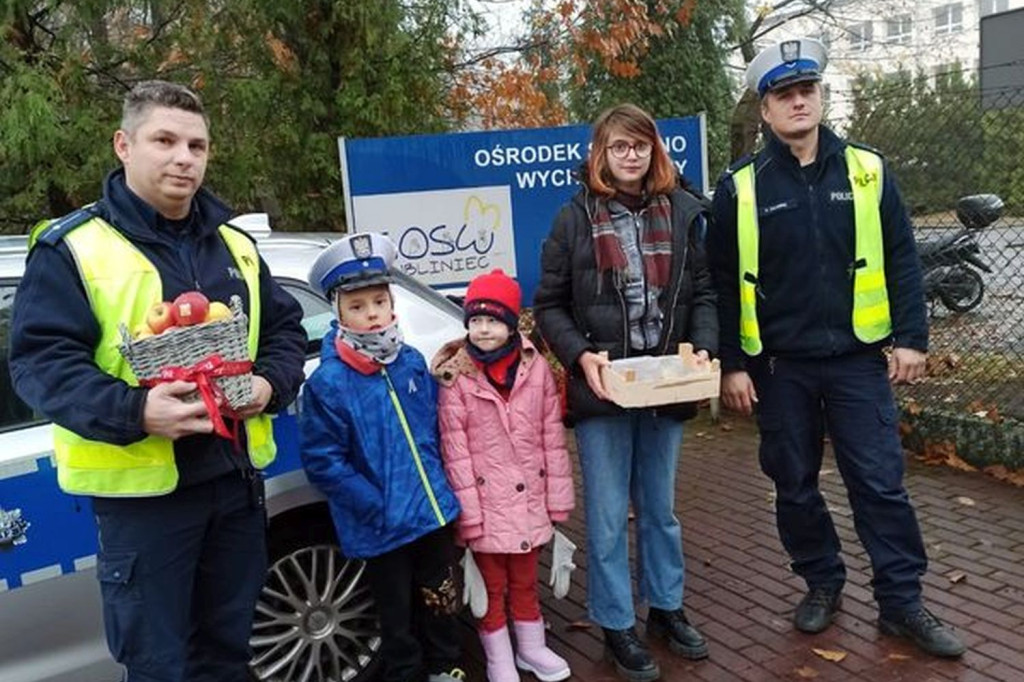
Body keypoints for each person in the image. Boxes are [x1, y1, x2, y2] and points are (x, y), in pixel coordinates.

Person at [9, 80, 307, 681]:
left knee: (229, 656)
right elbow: (41, 365)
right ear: (124, 144)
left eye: (196, 146)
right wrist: (136, 411)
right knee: (158, 668)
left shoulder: (236, 246)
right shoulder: (72, 248)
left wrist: (270, 385)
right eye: (164, 140)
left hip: (234, 485)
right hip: (144, 507)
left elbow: (286, 333)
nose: (183, 158)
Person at [707, 38, 966, 658]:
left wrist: (911, 338)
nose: (798, 102)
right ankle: (821, 581)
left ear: (820, 97)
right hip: (780, 367)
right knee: (794, 484)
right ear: (764, 110)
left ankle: (902, 604)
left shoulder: (868, 170)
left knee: (879, 484)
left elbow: (902, 257)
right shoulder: (740, 186)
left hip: (857, 362)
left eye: (807, 91)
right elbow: (718, 281)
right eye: (782, 95)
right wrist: (733, 366)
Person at [533, 103, 718, 682]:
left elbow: (706, 292)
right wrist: (580, 356)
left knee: (660, 511)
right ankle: (617, 624)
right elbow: (549, 304)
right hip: (605, 390)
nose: (631, 155)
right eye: (619, 146)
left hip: (666, 384)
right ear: (601, 154)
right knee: (609, 517)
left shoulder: (686, 210)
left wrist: (704, 346)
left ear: (654, 150)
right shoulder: (573, 219)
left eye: (640, 145)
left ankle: (665, 608)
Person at [301, 232, 465, 682]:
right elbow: (323, 461)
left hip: (431, 514)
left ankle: (445, 667)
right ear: (338, 312)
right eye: (357, 306)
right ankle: (406, 672)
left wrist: (445, 491)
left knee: (441, 599)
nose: (371, 314)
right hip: (380, 524)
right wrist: (374, 502)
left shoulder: (411, 361)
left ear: (392, 305)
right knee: (395, 614)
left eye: (379, 302)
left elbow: (434, 431)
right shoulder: (328, 383)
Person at [431, 268, 575, 682]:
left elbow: (551, 438)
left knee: (526, 582)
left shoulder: (536, 371)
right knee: (489, 588)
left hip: (529, 501)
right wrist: (468, 516)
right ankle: (498, 657)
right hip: (486, 506)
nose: (483, 329)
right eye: (475, 320)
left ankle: (531, 647)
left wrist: (558, 499)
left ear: (512, 323)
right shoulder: (456, 378)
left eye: (493, 320)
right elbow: (454, 454)